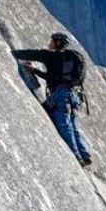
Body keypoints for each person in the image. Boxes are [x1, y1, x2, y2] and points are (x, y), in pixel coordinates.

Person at [12, 33, 92, 167]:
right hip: (72, 95)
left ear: (58, 42)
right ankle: (85, 154)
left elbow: (33, 54)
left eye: (52, 41)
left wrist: (14, 53)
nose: (50, 44)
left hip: (60, 95)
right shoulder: (65, 60)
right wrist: (34, 71)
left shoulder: (52, 56)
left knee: (64, 125)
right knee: (73, 126)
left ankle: (77, 157)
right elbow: (53, 78)